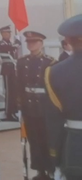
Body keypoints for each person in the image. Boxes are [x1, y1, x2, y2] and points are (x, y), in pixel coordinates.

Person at [45, 14, 82, 180]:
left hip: (73, 147)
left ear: (67, 39)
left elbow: (54, 121)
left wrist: (56, 156)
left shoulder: (54, 72)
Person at [17, 31, 55, 180]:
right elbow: (19, 85)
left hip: (44, 106)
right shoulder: (22, 62)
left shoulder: (50, 62)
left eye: (34, 42)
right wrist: (19, 105)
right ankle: (40, 170)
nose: (31, 45)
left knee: (46, 138)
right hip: (29, 106)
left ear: (41, 44)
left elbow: (53, 86)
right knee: (34, 140)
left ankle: (50, 168)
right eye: (29, 42)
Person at [0, 25, 20, 122]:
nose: (9, 34)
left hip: (13, 69)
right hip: (7, 69)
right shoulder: (1, 43)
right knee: (9, 92)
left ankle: (13, 111)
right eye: (7, 33)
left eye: (10, 33)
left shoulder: (10, 43)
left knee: (14, 91)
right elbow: (9, 48)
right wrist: (17, 43)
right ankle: (8, 113)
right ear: (2, 34)